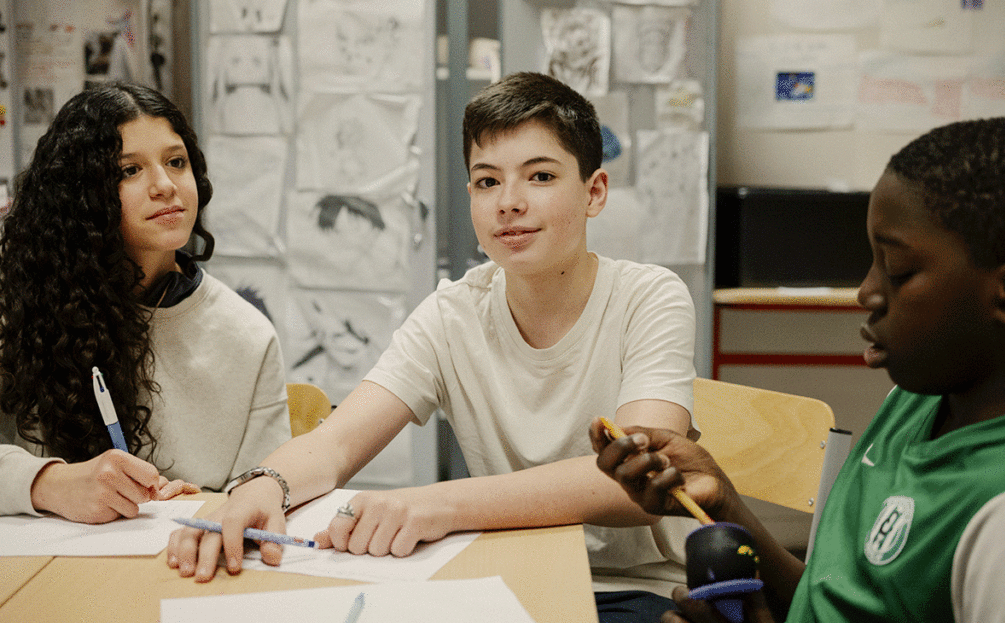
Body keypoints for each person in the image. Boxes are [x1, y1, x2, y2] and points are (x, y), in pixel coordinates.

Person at [167, 71, 701, 622]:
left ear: (594, 192)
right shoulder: (453, 313)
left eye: (540, 176)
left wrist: (434, 504)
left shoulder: (649, 298)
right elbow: (337, 443)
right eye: (488, 181)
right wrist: (262, 487)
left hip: (634, 594)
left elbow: (633, 483)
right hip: (501, 577)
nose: (509, 203)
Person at [590, 115, 1005, 623]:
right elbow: (825, 601)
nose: (866, 291)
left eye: (899, 271)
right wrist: (723, 501)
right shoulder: (916, 400)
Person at [0, 82, 292, 524]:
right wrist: (51, 484)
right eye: (129, 170)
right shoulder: (18, 307)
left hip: (171, 569)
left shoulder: (248, 337)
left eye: (177, 162)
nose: (164, 185)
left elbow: (263, 494)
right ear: (79, 195)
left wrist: (204, 503)